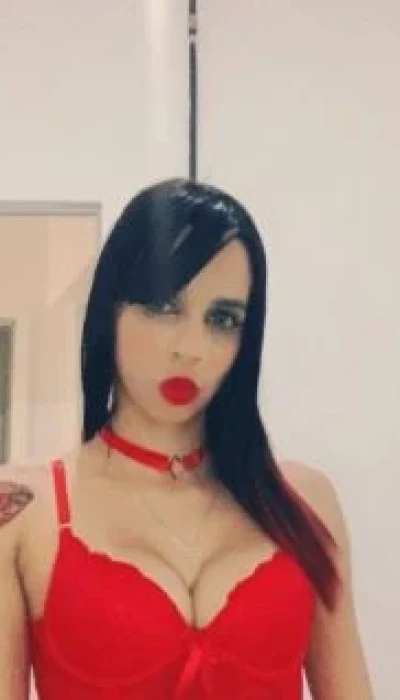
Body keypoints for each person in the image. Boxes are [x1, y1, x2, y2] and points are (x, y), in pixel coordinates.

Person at [0, 178, 374, 699]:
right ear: (111, 308)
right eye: (163, 307)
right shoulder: (23, 512)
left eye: (222, 318)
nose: (191, 347)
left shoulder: (305, 504)